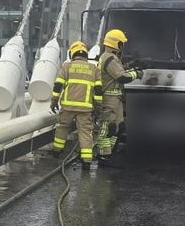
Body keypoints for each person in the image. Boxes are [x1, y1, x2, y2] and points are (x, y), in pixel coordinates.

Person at [50, 41, 103, 170]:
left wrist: (54, 101)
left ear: (72, 53)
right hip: (85, 109)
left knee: (62, 128)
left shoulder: (67, 67)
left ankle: (57, 152)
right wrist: (97, 108)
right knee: (85, 133)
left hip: (67, 107)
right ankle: (86, 161)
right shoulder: (94, 69)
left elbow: (58, 86)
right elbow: (98, 92)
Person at [96, 29, 142, 166]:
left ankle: (109, 152)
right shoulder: (109, 58)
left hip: (116, 99)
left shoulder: (110, 57)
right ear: (116, 43)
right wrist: (136, 74)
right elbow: (121, 77)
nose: (123, 46)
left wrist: (131, 65)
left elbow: (119, 70)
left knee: (118, 127)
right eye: (122, 43)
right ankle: (103, 156)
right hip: (109, 99)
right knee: (108, 127)